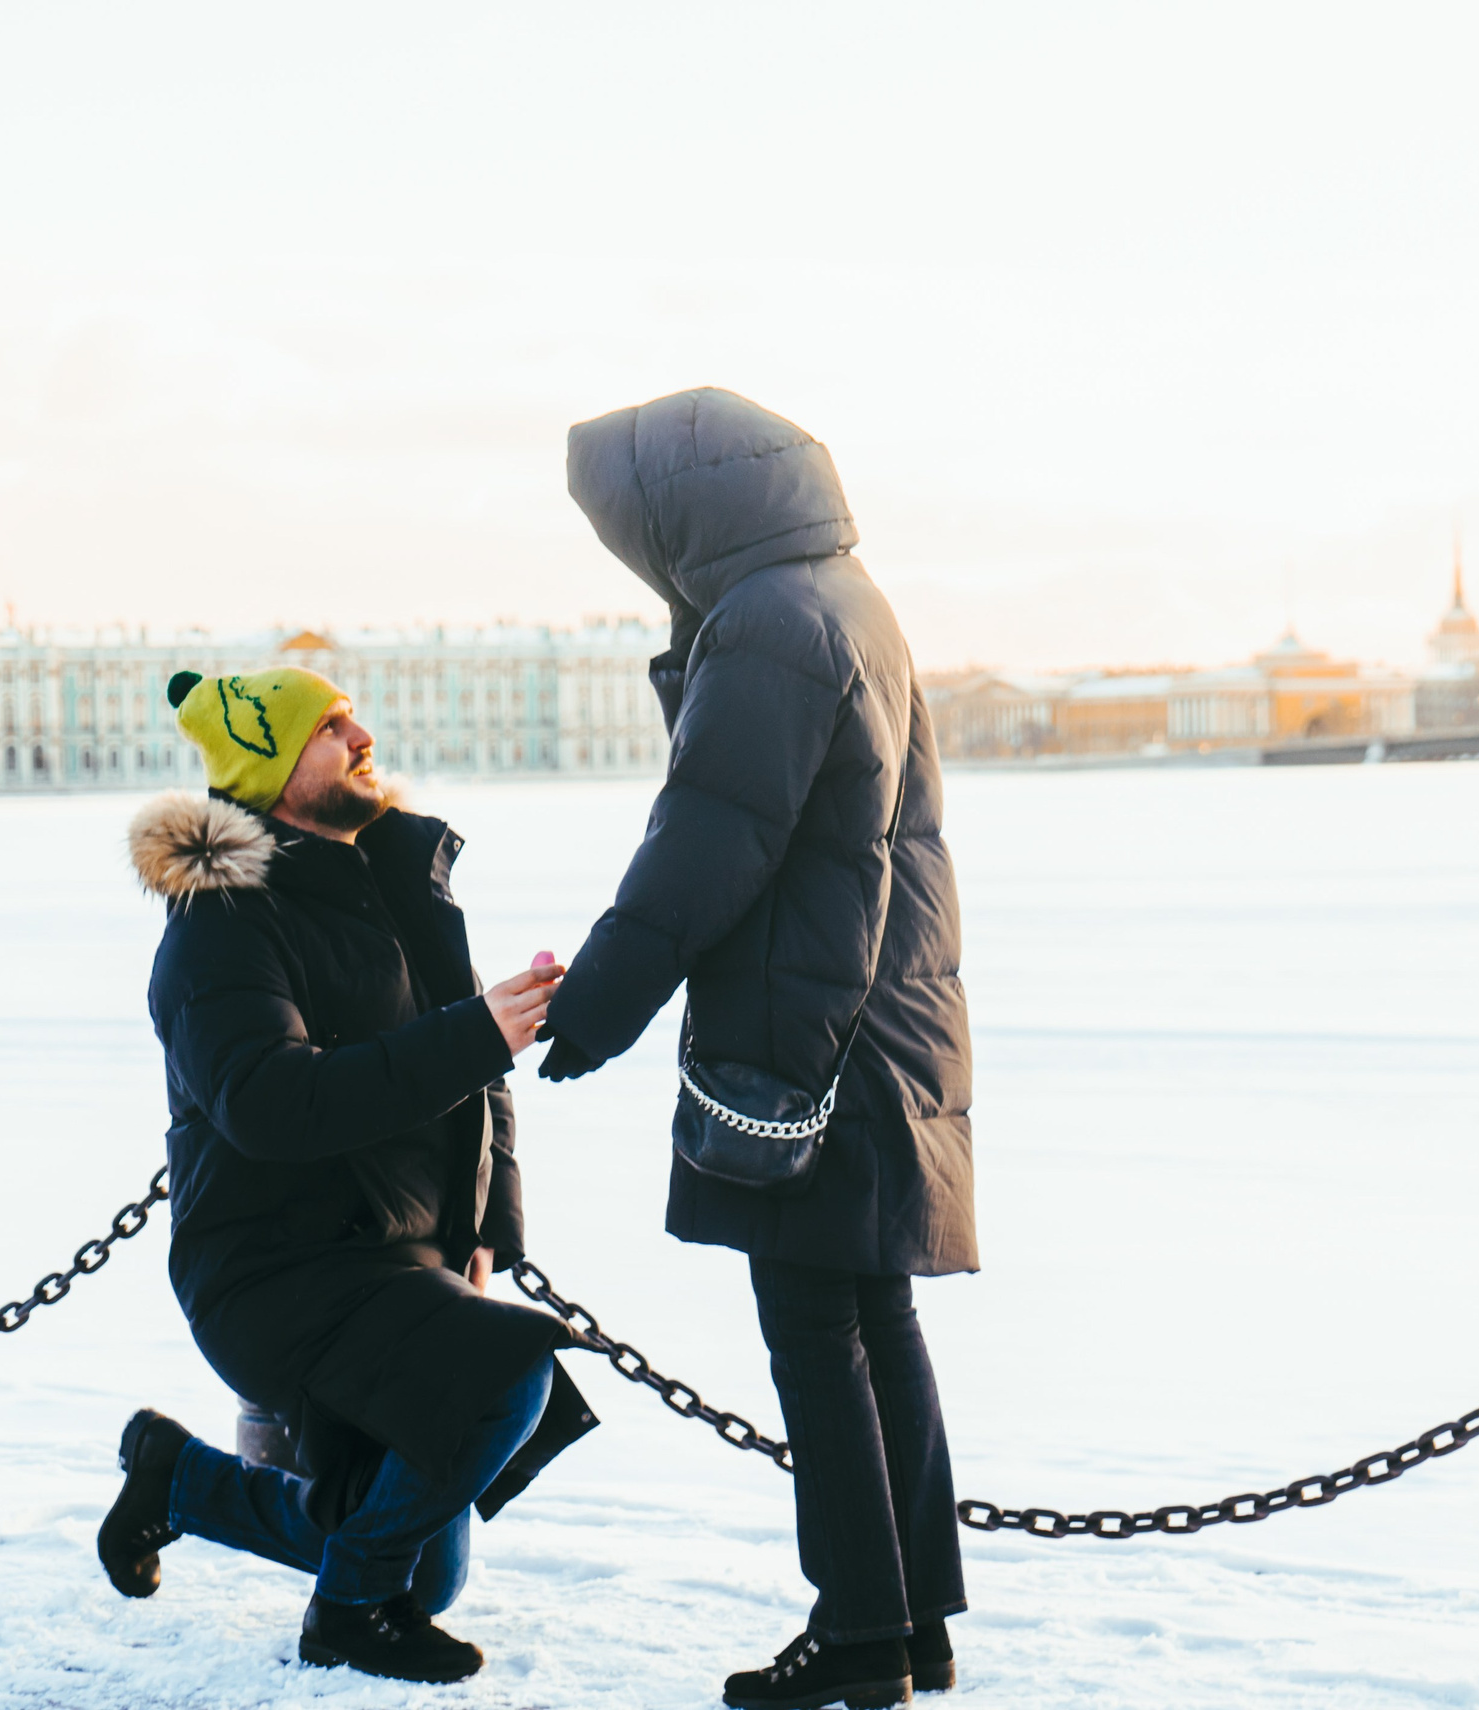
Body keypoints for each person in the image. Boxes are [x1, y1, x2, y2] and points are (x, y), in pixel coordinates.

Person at [538, 388, 978, 1710]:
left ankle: (859, 1638)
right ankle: (913, 1622)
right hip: (884, 1012)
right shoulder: (841, 597)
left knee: (815, 1334)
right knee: (871, 1316)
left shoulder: (770, 625)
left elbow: (710, 840)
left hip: (811, 1030)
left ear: (677, 514)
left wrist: (596, 1004)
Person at [99, 663, 596, 1685]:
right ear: (273, 768)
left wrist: (484, 1235)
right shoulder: (220, 924)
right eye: (329, 727)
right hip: (277, 1270)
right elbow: (270, 1103)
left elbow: (480, 1086)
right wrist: (475, 1034)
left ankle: (176, 1479)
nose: (362, 736)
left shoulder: (395, 885)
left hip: (400, 1260)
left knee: (431, 1575)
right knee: (511, 1372)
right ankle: (350, 1610)